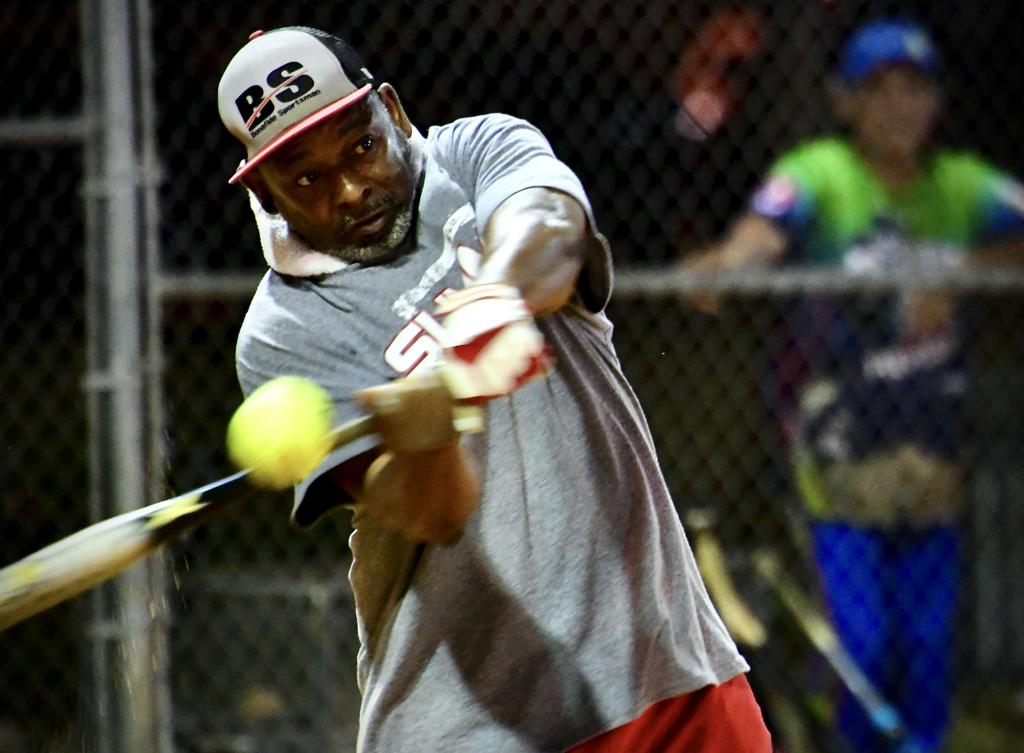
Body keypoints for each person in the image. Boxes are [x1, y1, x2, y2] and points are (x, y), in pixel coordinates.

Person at [217, 26, 770, 753]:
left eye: (361, 146)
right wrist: (428, 436)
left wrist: (490, 309)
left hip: (667, 672)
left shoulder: (477, 151)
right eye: (307, 179)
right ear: (265, 191)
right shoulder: (282, 332)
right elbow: (432, 510)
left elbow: (549, 229)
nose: (351, 189)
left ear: (393, 111)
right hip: (473, 729)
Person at [682, 18, 1024, 753]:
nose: (900, 107)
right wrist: (729, 265)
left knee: (928, 650)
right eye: (880, 90)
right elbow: (761, 236)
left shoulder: (959, 185)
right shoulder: (821, 171)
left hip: (932, 454)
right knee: (860, 651)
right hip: (834, 457)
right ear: (846, 101)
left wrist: (963, 273)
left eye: (915, 89)